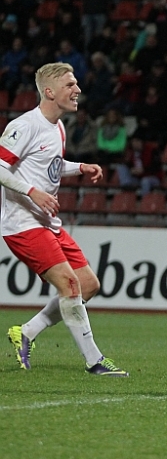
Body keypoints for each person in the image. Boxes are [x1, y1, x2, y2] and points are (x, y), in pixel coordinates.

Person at [4, 63, 127, 377]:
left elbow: (49, 164)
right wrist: (32, 192)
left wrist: (80, 167)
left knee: (88, 285)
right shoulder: (25, 125)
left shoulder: (58, 126)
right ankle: (95, 361)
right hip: (22, 223)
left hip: (45, 222)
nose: (77, 90)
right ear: (49, 92)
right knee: (69, 284)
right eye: (70, 85)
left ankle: (27, 332)